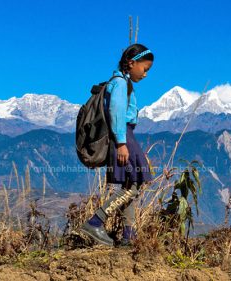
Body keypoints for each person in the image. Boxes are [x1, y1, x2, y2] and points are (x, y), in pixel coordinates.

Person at [80, 43, 154, 247]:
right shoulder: (120, 84)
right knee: (135, 184)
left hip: (121, 136)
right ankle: (95, 221)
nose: (146, 74)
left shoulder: (118, 82)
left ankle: (128, 236)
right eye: (144, 69)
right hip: (123, 136)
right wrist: (122, 143)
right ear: (132, 63)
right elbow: (116, 113)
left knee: (129, 184)